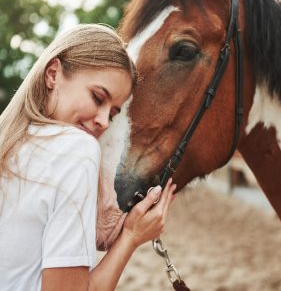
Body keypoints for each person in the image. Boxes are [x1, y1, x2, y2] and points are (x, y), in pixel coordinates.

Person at [0, 24, 176, 291]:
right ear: (52, 74)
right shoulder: (77, 149)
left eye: (113, 113)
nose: (104, 122)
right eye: (97, 97)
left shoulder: (10, 145)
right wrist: (130, 236)